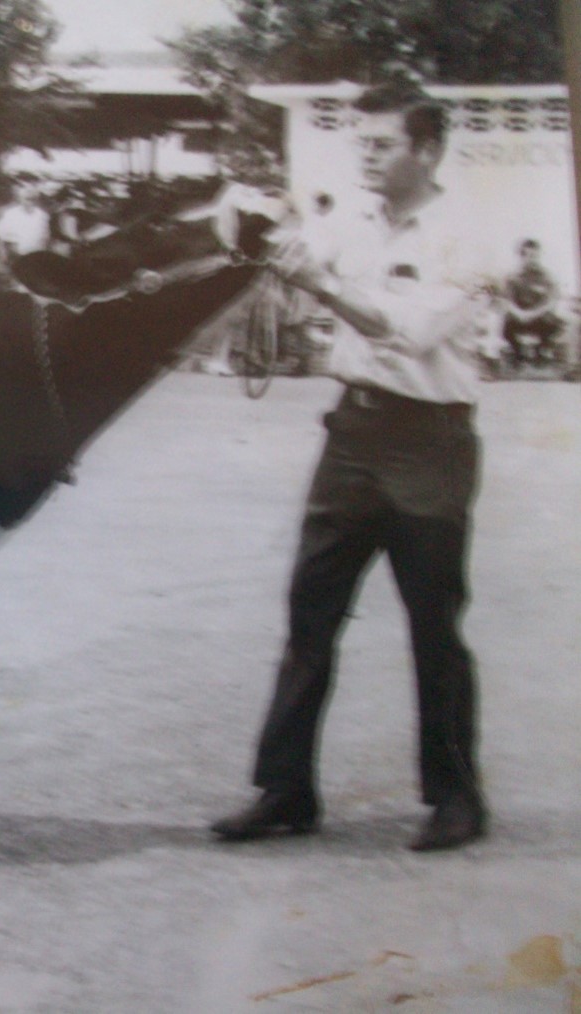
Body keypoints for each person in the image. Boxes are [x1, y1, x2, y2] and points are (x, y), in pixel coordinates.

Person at [211, 80, 493, 852]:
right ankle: (286, 790)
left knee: (434, 626)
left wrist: (320, 282)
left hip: (430, 441)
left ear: (427, 149)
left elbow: (408, 331)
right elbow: (294, 248)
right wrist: (255, 220)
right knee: (310, 615)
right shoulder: (353, 221)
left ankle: (457, 798)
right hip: (354, 435)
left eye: (383, 144)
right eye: (361, 143)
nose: (366, 156)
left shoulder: (465, 234)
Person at [499, 238, 566, 370]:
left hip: (539, 317)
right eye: (529, 255)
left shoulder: (547, 277)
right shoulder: (512, 277)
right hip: (519, 317)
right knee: (505, 324)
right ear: (522, 256)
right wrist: (519, 313)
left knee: (557, 324)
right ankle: (518, 353)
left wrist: (534, 314)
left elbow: (551, 301)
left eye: (536, 255)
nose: (533, 259)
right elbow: (508, 301)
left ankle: (541, 351)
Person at [0, 185, 50, 259]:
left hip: (34, 257)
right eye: (27, 199)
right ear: (20, 199)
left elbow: (46, 238)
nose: (30, 202)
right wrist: (2, 253)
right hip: (14, 255)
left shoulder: (42, 216)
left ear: (36, 200)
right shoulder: (11, 213)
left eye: (33, 199)